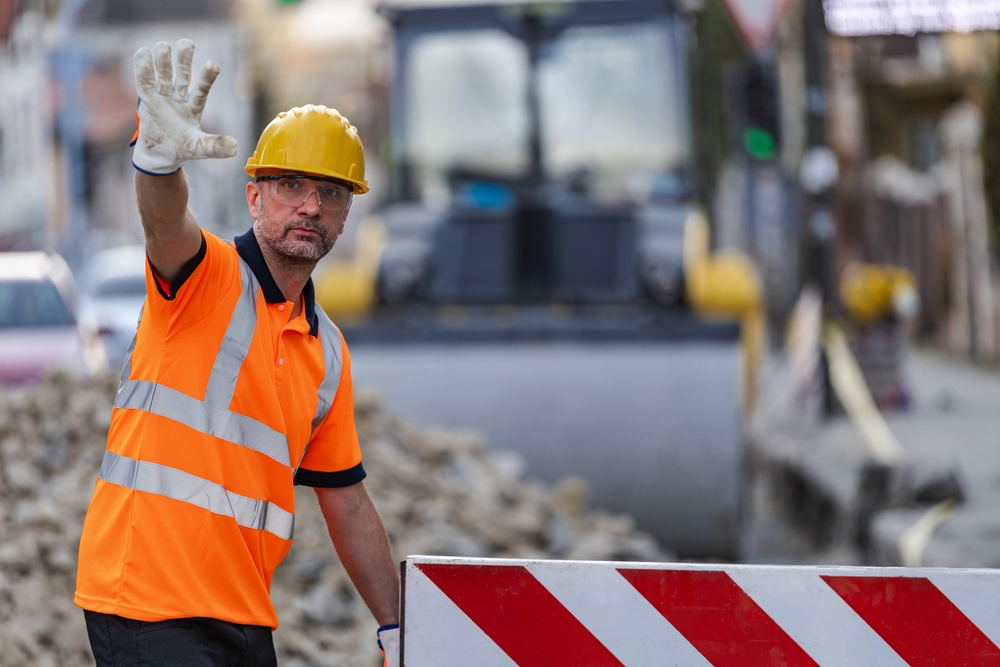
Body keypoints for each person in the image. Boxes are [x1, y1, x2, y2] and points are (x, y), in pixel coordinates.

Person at [74, 39, 400, 667]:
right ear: (254, 197)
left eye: (331, 193)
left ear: (347, 213)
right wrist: (157, 162)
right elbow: (166, 225)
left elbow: (348, 500)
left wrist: (394, 626)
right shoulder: (208, 278)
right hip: (146, 600)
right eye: (290, 185)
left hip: (244, 616)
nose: (310, 205)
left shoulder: (327, 351)